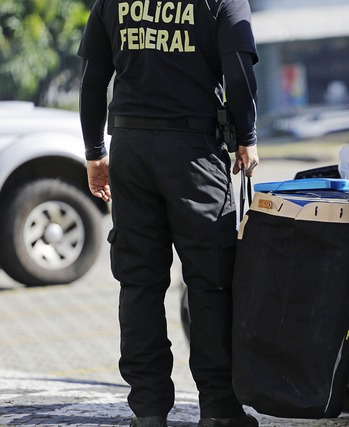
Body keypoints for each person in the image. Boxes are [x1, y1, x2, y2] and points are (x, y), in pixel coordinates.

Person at [77, 1, 259, 426]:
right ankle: (219, 409)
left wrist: (93, 154)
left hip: (130, 150)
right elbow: (239, 72)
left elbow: (92, 82)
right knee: (210, 282)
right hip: (194, 152)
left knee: (139, 283)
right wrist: (247, 135)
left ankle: (148, 411)